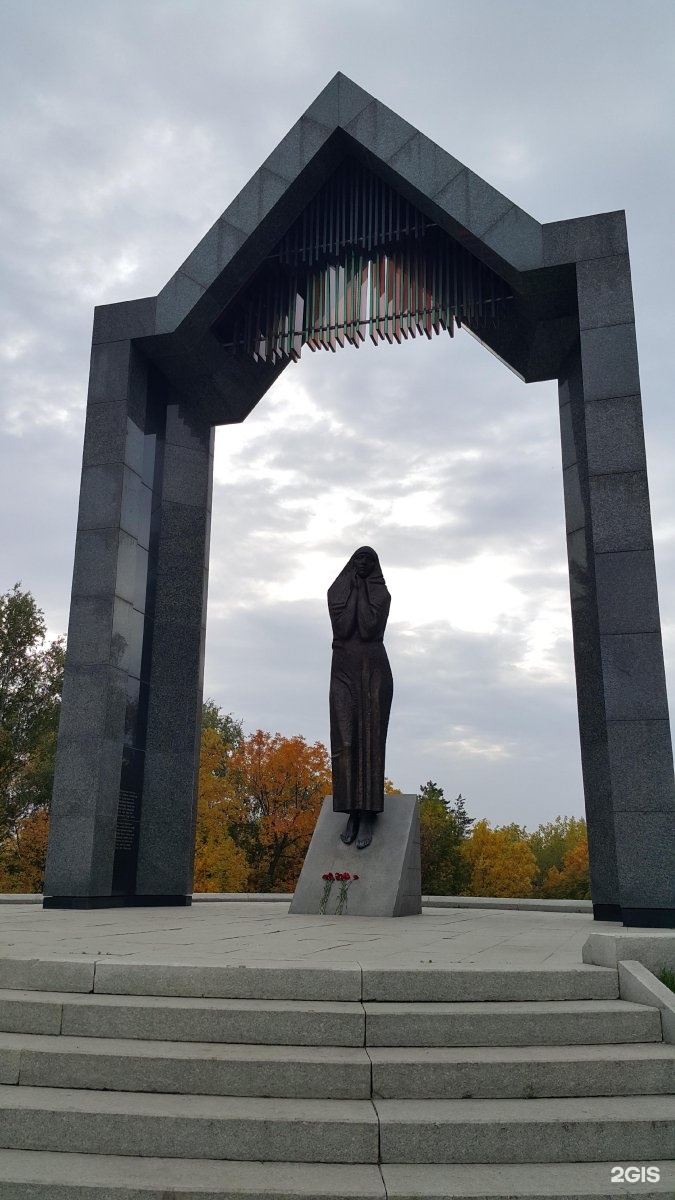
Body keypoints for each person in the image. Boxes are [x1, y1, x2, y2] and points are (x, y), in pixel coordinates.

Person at [327, 546, 393, 849]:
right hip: (343, 672)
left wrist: (362, 593)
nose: (362, 563)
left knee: (369, 743)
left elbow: (367, 628)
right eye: (358, 558)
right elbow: (342, 627)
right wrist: (352, 592)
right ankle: (350, 812)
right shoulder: (337, 592)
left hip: (372, 673)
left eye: (368, 559)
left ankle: (367, 814)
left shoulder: (381, 595)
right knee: (345, 742)